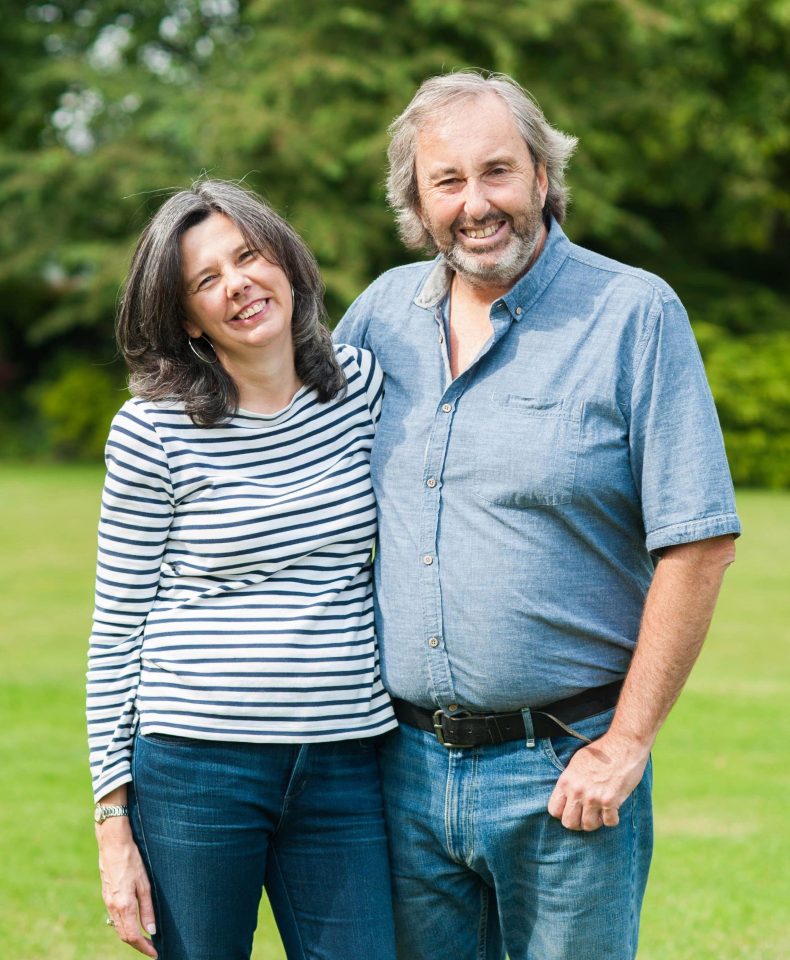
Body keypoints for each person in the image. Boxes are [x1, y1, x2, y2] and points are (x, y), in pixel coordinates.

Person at [334, 71, 741, 960]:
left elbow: (699, 542)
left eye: (498, 172)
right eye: (447, 181)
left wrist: (626, 743)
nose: (476, 204)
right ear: (417, 200)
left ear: (543, 177)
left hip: (566, 771)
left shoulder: (634, 314)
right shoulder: (377, 319)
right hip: (399, 771)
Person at [86, 179, 397, 960]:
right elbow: (116, 629)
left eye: (248, 256)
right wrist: (112, 824)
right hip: (196, 769)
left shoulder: (363, 389)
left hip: (343, 763)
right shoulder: (151, 432)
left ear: (286, 261)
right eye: (205, 280)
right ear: (186, 317)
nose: (238, 286)